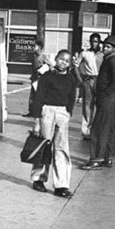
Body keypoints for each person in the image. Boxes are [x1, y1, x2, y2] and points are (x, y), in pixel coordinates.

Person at [30, 49, 77, 198]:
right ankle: (39, 179)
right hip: (47, 112)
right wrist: (37, 119)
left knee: (61, 149)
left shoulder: (71, 79)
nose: (64, 62)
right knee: (44, 146)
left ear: (70, 64)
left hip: (62, 113)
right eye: (61, 59)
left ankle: (61, 185)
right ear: (55, 59)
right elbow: (38, 98)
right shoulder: (46, 77)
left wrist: (68, 112)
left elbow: (72, 97)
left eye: (67, 61)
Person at [80, 35, 115, 170]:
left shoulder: (112, 60)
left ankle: (96, 158)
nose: (104, 49)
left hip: (106, 99)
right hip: (111, 100)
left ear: (114, 49)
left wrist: (103, 94)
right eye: (104, 46)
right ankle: (106, 157)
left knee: (98, 129)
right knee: (108, 129)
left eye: (108, 47)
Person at [72, 33, 103, 139]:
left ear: (99, 42)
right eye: (92, 41)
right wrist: (80, 80)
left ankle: (97, 129)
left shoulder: (103, 54)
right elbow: (75, 65)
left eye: (96, 41)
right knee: (87, 105)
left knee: (99, 105)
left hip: (100, 81)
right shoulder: (84, 53)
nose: (94, 43)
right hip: (88, 80)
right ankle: (86, 130)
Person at [23, 40, 52, 117]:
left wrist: (44, 69)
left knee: (40, 95)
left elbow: (51, 66)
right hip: (34, 78)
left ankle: (39, 112)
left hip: (41, 78)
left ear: (39, 48)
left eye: (35, 46)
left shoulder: (43, 56)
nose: (33, 47)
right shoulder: (34, 56)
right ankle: (31, 111)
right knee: (32, 95)